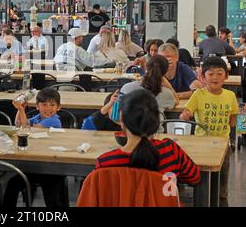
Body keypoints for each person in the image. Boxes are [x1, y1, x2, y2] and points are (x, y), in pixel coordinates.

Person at [94, 89, 200, 185]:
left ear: (122, 120)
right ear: (156, 121)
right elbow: (194, 178)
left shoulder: (105, 163)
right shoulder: (170, 150)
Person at [180, 57, 237, 205]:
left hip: (223, 145)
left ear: (226, 76)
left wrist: (231, 139)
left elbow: (233, 120)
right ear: (203, 77)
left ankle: (221, 201)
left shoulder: (230, 96)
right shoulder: (198, 94)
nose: (215, 77)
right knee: (202, 180)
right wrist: (185, 115)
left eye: (219, 73)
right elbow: (186, 112)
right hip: (202, 145)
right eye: (210, 74)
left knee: (222, 183)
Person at [3, 88, 68, 207]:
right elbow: (19, 125)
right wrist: (20, 109)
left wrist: (22, 110)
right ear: (37, 106)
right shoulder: (38, 117)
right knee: (12, 184)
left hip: (52, 167)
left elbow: (28, 129)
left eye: (52, 105)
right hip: (36, 164)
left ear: (58, 107)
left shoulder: (54, 121)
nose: (48, 108)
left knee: (51, 198)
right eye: (44, 104)